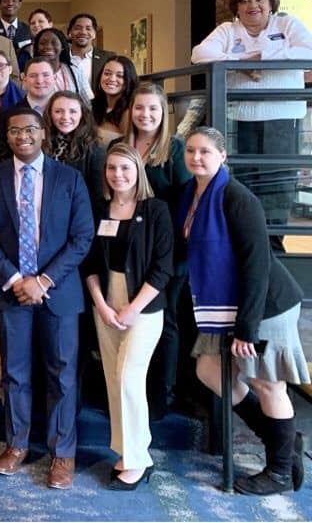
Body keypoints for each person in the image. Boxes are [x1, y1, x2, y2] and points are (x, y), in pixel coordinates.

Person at [178, 126, 308, 495]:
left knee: (268, 382)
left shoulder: (237, 197)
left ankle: (280, 472)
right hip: (225, 303)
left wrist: (246, 329)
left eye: (205, 151)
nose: (197, 157)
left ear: (223, 157)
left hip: (265, 305)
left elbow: (257, 264)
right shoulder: (192, 195)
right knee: (208, 369)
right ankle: (281, 439)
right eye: (191, 151)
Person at [0, 106, 94, 490]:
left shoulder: (69, 179)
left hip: (58, 292)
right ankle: (17, 444)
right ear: (6, 137)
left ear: (43, 133)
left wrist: (42, 280)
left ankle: (63, 453)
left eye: (29, 129)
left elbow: (82, 238)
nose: (22, 136)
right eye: (14, 131)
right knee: (15, 373)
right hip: (11, 293)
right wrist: (15, 279)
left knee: (62, 372)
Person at [82, 143, 173, 490]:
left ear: (138, 171)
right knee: (112, 379)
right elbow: (89, 264)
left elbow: (163, 268)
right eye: (112, 168)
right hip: (105, 300)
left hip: (144, 304)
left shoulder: (156, 211)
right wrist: (102, 304)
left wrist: (133, 308)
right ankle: (124, 450)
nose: (118, 175)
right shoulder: (99, 209)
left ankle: (139, 458)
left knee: (128, 377)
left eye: (125, 168)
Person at [191, 0, 312, 232]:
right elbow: (200, 53)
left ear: (270, 4)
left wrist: (263, 57)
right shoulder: (228, 30)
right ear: (236, 6)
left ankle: (274, 242)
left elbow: (308, 52)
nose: (252, 5)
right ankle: (245, 237)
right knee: (243, 183)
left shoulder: (286, 24)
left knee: (278, 186)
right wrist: (243, 62)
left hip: (283, 118)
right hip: (239, 119)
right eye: (245, 0)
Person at [111, 81, 192, 419]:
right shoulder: (119, 145)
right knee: (129, 317)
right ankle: (128, 387)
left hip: (167, 250)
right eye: (140, 108)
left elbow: (190, 200)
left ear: (163, 114)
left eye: (153, 109)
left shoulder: (173, 150)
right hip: (127, 249)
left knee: (164, 319)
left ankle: (162, 393)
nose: (146, 114)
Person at [43, 91, 106, 205]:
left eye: (73, 111)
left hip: (78, 212)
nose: (65, 117)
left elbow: (97, 196)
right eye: (58, 111)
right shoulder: (41, 143)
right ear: (50, 114)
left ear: (82, 114)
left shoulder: (94, 149)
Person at [32, 28, 90, 103]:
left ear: (62, 46)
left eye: (54, 43)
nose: (48, 46)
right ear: (37, 48)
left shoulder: (76, 72)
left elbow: (88, 102)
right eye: (43, 43)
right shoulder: (30, 73)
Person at [91, 56, 138, 147]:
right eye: (107, 73)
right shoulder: (93, 106)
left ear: (128, 80)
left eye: (119, 76)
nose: (112, 79)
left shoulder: (129, 112)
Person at [67, 13, 115, 97]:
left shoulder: (108, 58)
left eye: (88, 28)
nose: (83, 32)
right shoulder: (60, 58)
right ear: (70, 33)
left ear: (94, 34)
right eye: (77, 28)